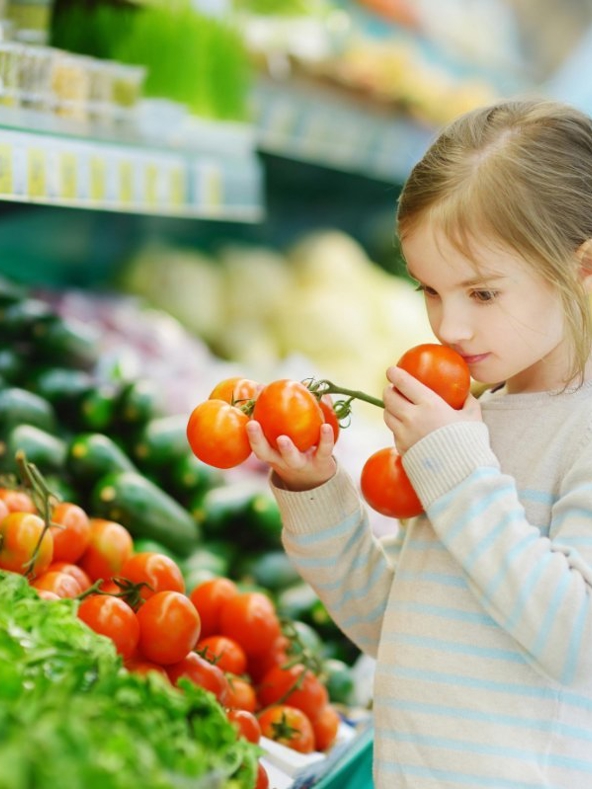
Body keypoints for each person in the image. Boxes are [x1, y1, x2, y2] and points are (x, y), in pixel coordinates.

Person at [246, 97, 592, 789]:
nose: (450, 326)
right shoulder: (471, 418)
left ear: (582, 266)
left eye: (483, 293)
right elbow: (394, 625)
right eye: (430, 290)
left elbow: (576, 640)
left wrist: (459, 470)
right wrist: (321, 498)